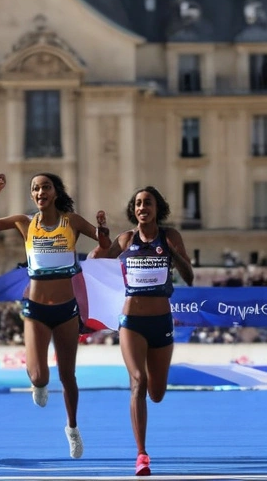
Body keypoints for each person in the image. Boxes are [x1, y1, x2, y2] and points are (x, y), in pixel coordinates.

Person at [0, 172, 111, 460]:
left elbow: (105, 245)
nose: (40, 193)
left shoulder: (71, 221)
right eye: (35, 189)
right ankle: (38, 384)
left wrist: (102, 229)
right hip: (35, 309)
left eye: (45, 187)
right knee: (39, 375)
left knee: (68, 375)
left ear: (55, 192)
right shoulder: (24, 223)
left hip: (65, 309)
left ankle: (72, 429)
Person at [89, 186, 194, 476]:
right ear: (133, 210)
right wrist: (100, 240)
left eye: (147, 202)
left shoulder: (170, 237)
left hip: (161, 323)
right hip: (131, 322)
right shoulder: (126, 240)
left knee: (157, 393)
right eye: (137, 203)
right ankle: (141, 454)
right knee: (138, 381)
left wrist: (176, 256)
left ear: (157, 208)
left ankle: (146, 430)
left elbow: (189, 276)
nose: (141, 207)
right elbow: (97, 263)